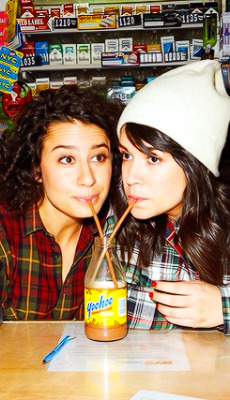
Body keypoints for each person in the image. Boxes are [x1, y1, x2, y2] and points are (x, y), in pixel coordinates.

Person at [108, 60, 230, 335]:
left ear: (194, 165)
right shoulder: (122, 222)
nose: (130, 177)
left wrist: (223, 308)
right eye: (127, 155)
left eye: (153, 158)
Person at [0, 84, 122, 320]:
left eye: (98, 157)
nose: (88, 179)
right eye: (67, 159)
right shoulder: (7, 233)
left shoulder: (111, 233)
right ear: (36, 169)